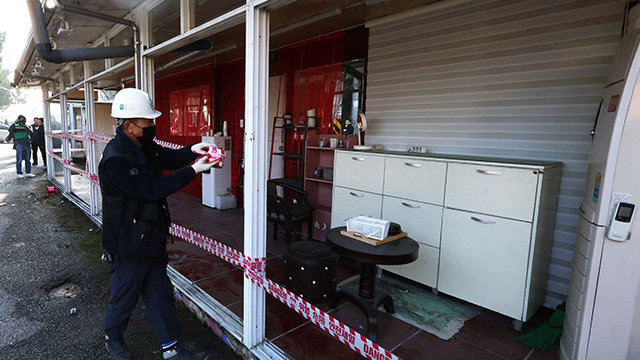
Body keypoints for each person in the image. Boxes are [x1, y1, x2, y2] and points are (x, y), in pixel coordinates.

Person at [99, 88, 216, 360]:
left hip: (150, 236)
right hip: (127, 243)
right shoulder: (117, 158)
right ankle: (113, 338)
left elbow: (166, 158)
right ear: (129, 126)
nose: (153, 126)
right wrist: (194, 171)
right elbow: (152, 188)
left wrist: (192, 151)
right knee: (124, 296)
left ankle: (171, 349)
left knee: (160, 292)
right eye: (148, 122)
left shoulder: (141, 145)